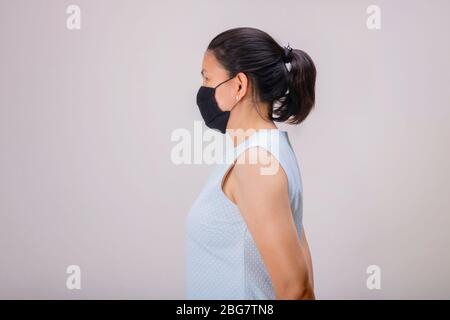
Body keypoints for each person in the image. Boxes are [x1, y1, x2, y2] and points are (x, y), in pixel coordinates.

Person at [186, 27, 317, 300]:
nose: (203, 90)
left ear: (239, 85)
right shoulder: (266, 150)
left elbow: (297, 290)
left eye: (207, 78)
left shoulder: (256, 163)